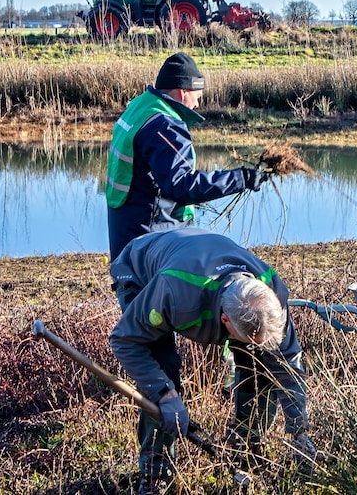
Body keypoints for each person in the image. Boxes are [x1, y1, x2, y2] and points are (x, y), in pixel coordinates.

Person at [110, 227, 317, 494]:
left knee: (261, 362)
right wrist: (165, 394)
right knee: (164, 368)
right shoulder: (175, 292)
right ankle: (154, 475)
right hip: (141, 269)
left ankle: (245, 447)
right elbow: (125, 340)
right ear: (224, 320)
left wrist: (299, 432)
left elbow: (287, 365)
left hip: (195, 258)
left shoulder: (271, 290)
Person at [106, 51, 268, 260]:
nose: (197, 105)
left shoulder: (140, 107)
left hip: (126, 230)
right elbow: (182, 185)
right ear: (183, 92)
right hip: (150, 239)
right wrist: (240, 179)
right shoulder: (165, 126)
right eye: (197, 97)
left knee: (131, 289)